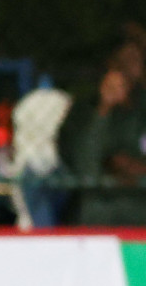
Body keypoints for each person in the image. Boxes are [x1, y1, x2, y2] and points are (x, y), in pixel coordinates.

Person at [59, 42, 146, 226]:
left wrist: (131, 166)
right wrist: (104, 108)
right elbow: (86, 168)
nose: (132, 67)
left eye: (137, 59)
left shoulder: (141, 108)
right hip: (103, 206)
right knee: (94, 204)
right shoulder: (85, 109)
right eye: (125, 60)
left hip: (140, 201)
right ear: (110, 65)